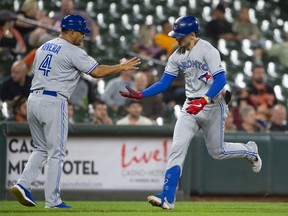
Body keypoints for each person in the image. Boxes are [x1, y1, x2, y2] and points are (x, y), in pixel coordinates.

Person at [120, 15, 262, 210]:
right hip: (190, 106)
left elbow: (220, 81)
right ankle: (168, 197)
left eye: (180, 35)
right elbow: (163, 83)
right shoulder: (176, 55)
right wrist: (141, 94)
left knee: (217, 152)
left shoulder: (208, 50)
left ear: (192, 35)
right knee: (177, 148)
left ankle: (250, 151)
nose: (176, 38)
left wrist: (204, 100)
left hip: (212, 105)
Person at [10, 14, 140, 209]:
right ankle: (53, 201)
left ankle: (22, 184)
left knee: (41, 148)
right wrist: (120, 67)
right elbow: (97, 72)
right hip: (54, 100)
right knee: (57, 153)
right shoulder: (72, 50)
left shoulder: (43, 47)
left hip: (33, 99)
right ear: (71, 32)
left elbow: (35, 72)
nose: (83, 37)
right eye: (81, 33)